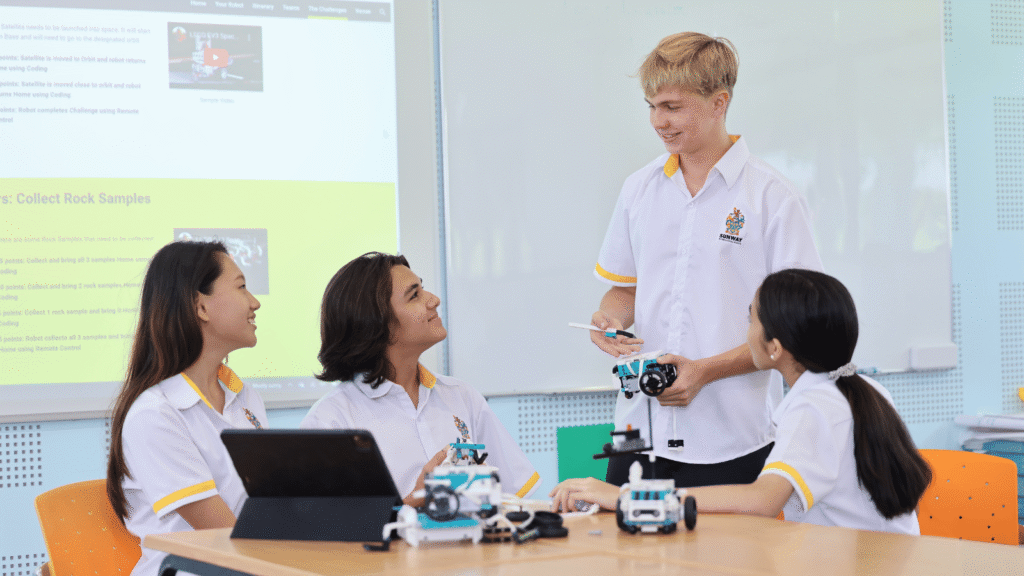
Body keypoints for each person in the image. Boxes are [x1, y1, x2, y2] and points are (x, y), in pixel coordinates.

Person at [590, 31, 823, 487]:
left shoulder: (773, 197)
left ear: (719, 102)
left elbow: (799, 326)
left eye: (673, 107)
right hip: (640, 433)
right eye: (651, 106)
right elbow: (624, 290)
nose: (659, 121)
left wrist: (704, 372)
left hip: (734, 438)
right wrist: (610, 321)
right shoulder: (638, 189)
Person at [553, 269, 931, 534]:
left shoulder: (812, 407)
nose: (745, 332)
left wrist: (626, 496)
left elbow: (763, 501)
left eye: (750, 321)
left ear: (775, 347)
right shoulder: (860, 388)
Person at [300, 252, 539, 505]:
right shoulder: (331, 420)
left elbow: (514, 502)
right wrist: (414, 501)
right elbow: (326, 525)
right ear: (375, 322)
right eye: (414, 295)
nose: (434, 300)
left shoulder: (462, 396)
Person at [106, 241, 267, 575]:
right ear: (200, 307)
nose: (255, 302)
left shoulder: (244, 397)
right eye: (241, 287)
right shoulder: (155, 414)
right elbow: (224, 536)